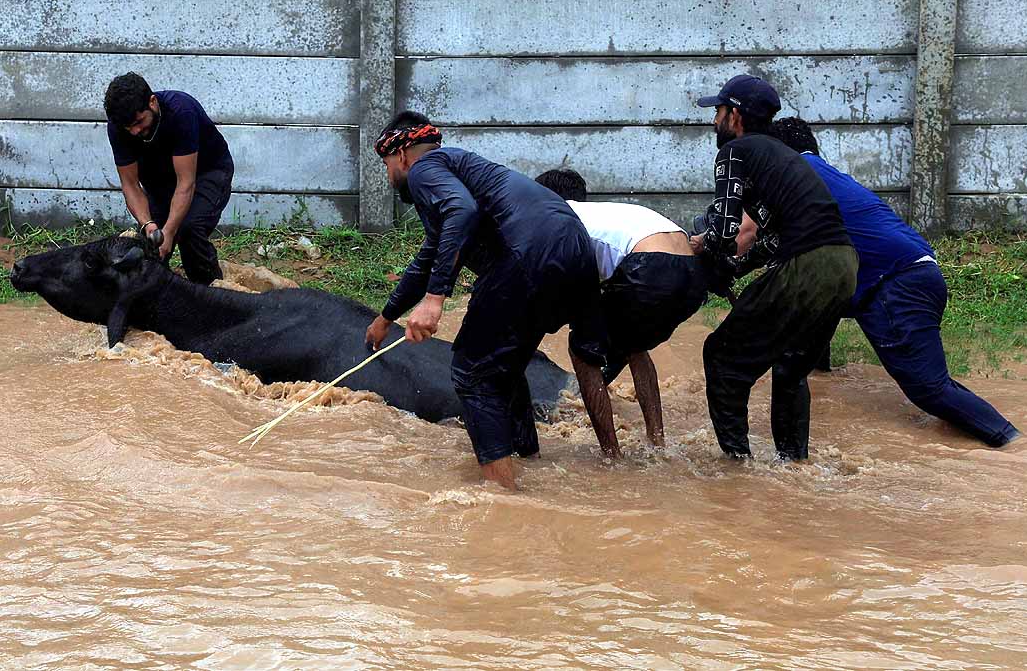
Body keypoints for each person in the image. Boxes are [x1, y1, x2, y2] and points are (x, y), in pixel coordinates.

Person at [363, 111, 615, 489]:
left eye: (385, 165)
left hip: (528, 252)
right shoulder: (459, 169)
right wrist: (386, 317)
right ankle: (528, 458)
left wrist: (434, 299)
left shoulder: (423, 169)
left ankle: (503, 496)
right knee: (504, 367)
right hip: (576, 252)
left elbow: (461, 211)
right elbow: (431, 255)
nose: (388, 176)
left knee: (472, 372)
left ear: (400, 154)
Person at [770, 117, 1020, 446]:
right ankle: (819, 371)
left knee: (930, 390)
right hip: (915, 271)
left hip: (895, 284)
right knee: (812, 296)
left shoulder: (795, 173)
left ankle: (1013, 443)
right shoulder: (826, 177)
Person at [691, 74, 858, 461]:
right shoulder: (782, 157)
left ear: (734, 116)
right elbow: (771, 239)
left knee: (721, 357)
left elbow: (725, 229)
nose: (714, 120)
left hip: (809, 263)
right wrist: (735, 267)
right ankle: (793, 466)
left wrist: (701, 247)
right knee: (791, 367)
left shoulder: (735, 151)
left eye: (718, 111)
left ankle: (737, 468)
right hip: (845, 265)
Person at [534, 168, 707, 447]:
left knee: (581, 351)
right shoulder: (607, 212)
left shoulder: (557, 214)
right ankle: (657, 443)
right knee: (634, 345)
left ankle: (610, 454)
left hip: (650, 265)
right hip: (693, 274)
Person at [104, 72, 233, 284]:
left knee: (189, 230)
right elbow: (130, 185)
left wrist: (170, 231)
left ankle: (209, 292)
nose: (135, 131)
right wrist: (148, 225)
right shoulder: (118, 126)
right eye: (129, 128)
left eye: (139, 121)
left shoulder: (181, 111)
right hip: (161, 181)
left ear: (152, 102)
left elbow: (186, 183)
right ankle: (155, 297)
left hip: (207, 172)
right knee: (151, 246)